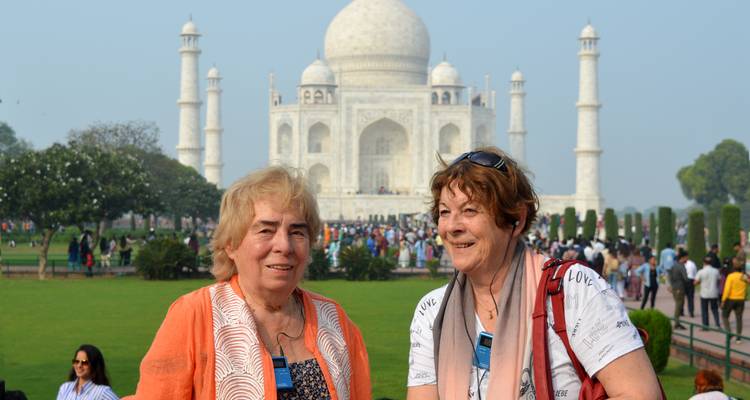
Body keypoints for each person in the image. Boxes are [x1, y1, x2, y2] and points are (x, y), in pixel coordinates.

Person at [406, 148, 661, 400]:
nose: (452, 226)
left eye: (470, 210)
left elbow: (640, 394)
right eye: (444, 212)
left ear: (515, 219)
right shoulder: (433, 311)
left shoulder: (573, 290)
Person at [126, 166, 370, 399]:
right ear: (231, 244)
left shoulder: (333, 320)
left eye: (297, 232)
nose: (284, 246)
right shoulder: (196, 317)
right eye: (266, 231)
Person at [721, 261, 749, 344]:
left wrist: (723, 300)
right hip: (741, 299)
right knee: (739, 318)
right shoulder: (743, 276)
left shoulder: (731, 276)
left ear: (733, 268)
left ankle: (729, 332)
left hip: (731, 299)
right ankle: (738, 338)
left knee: (724, 315)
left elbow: (727, 289)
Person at [695, 256, 722, 330]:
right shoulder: (716, 271)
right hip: (714, 292)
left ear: (704, 262)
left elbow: (696, 282)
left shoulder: (701, 271)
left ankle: (705, 326)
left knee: (704, 310)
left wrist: (700, 282)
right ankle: (717, 324)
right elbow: (719, 281)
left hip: (704, 293)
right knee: (715, 309)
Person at [669, 250, 691, 330]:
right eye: (687, 257)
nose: (687, 259)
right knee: (679, 306)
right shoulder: (681, 266)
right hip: (680, 288)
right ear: (683, 257)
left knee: (678, 305)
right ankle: (676, 323)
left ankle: (677, 322)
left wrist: (671, 286)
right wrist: (691, 281)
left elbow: (670, 276)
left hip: (675, 288)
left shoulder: (674, 265)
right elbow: (686, 278)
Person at [685, 252, 698, 318]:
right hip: (691, 281)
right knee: (690, 298)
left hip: (686, 281)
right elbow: (696, 272)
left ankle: (682, 311)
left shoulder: (683, 264)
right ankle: (691, 312)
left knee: (684, 297)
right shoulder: (692, 263)